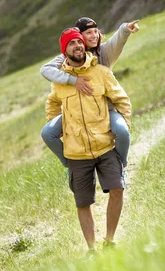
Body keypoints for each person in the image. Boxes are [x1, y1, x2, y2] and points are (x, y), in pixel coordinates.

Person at [45, 28, 131, 253]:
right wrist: (59, 125)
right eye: (72, 44)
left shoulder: (101, 72)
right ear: (65, 51)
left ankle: (110, 240)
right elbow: (53, 103)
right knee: (83, 203)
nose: (78, 46)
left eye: (79, 42)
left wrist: (124, 126)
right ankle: (92, 250)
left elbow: (122, 100)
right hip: (76, 152)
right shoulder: (60, 81)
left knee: (118, 189)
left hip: (104, 145)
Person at [40, 17, 139, 168]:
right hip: (77, 112)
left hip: (104, 111)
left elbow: (117, 42)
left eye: (96, 32)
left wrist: (125, 29)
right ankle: (69, 166)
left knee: (122, 131)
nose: (94, 35)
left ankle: (121, 165)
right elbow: (45, 70)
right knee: (48, 133)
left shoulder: (103, 53)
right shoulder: (69, 55)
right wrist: (72, 80)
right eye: (88, 33)